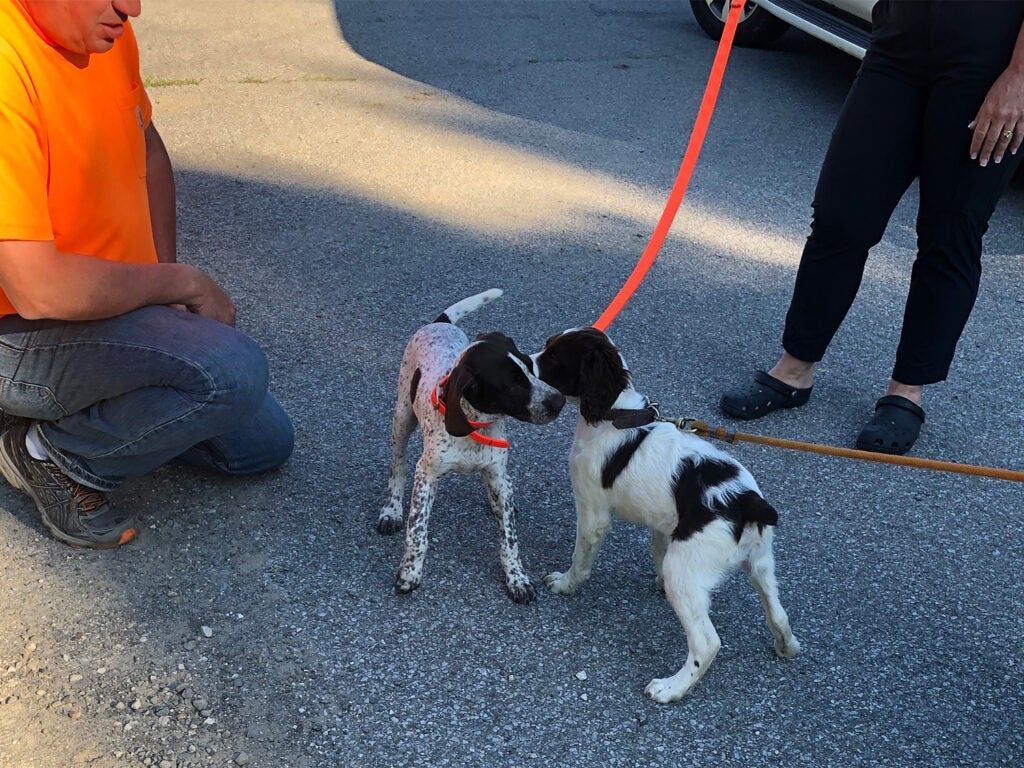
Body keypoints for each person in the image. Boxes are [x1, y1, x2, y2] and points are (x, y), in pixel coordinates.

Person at [0, 0, 293, 548]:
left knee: (261, 444)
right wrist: (181, 283)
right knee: (231, 371)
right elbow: (36, 287)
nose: (131, 8)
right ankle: (48, 452)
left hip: (100, 311)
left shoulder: (104, 34)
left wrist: (160, 280)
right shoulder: (8, 64)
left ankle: (74, 412)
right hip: (17, 328)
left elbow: (148, 151)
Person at [720, 0, 1024, 455]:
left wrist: (1018, 79)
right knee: (841, 216)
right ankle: (794, 369)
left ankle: (906, 391)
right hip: (898, 45)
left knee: (949, 233)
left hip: (990, 60)